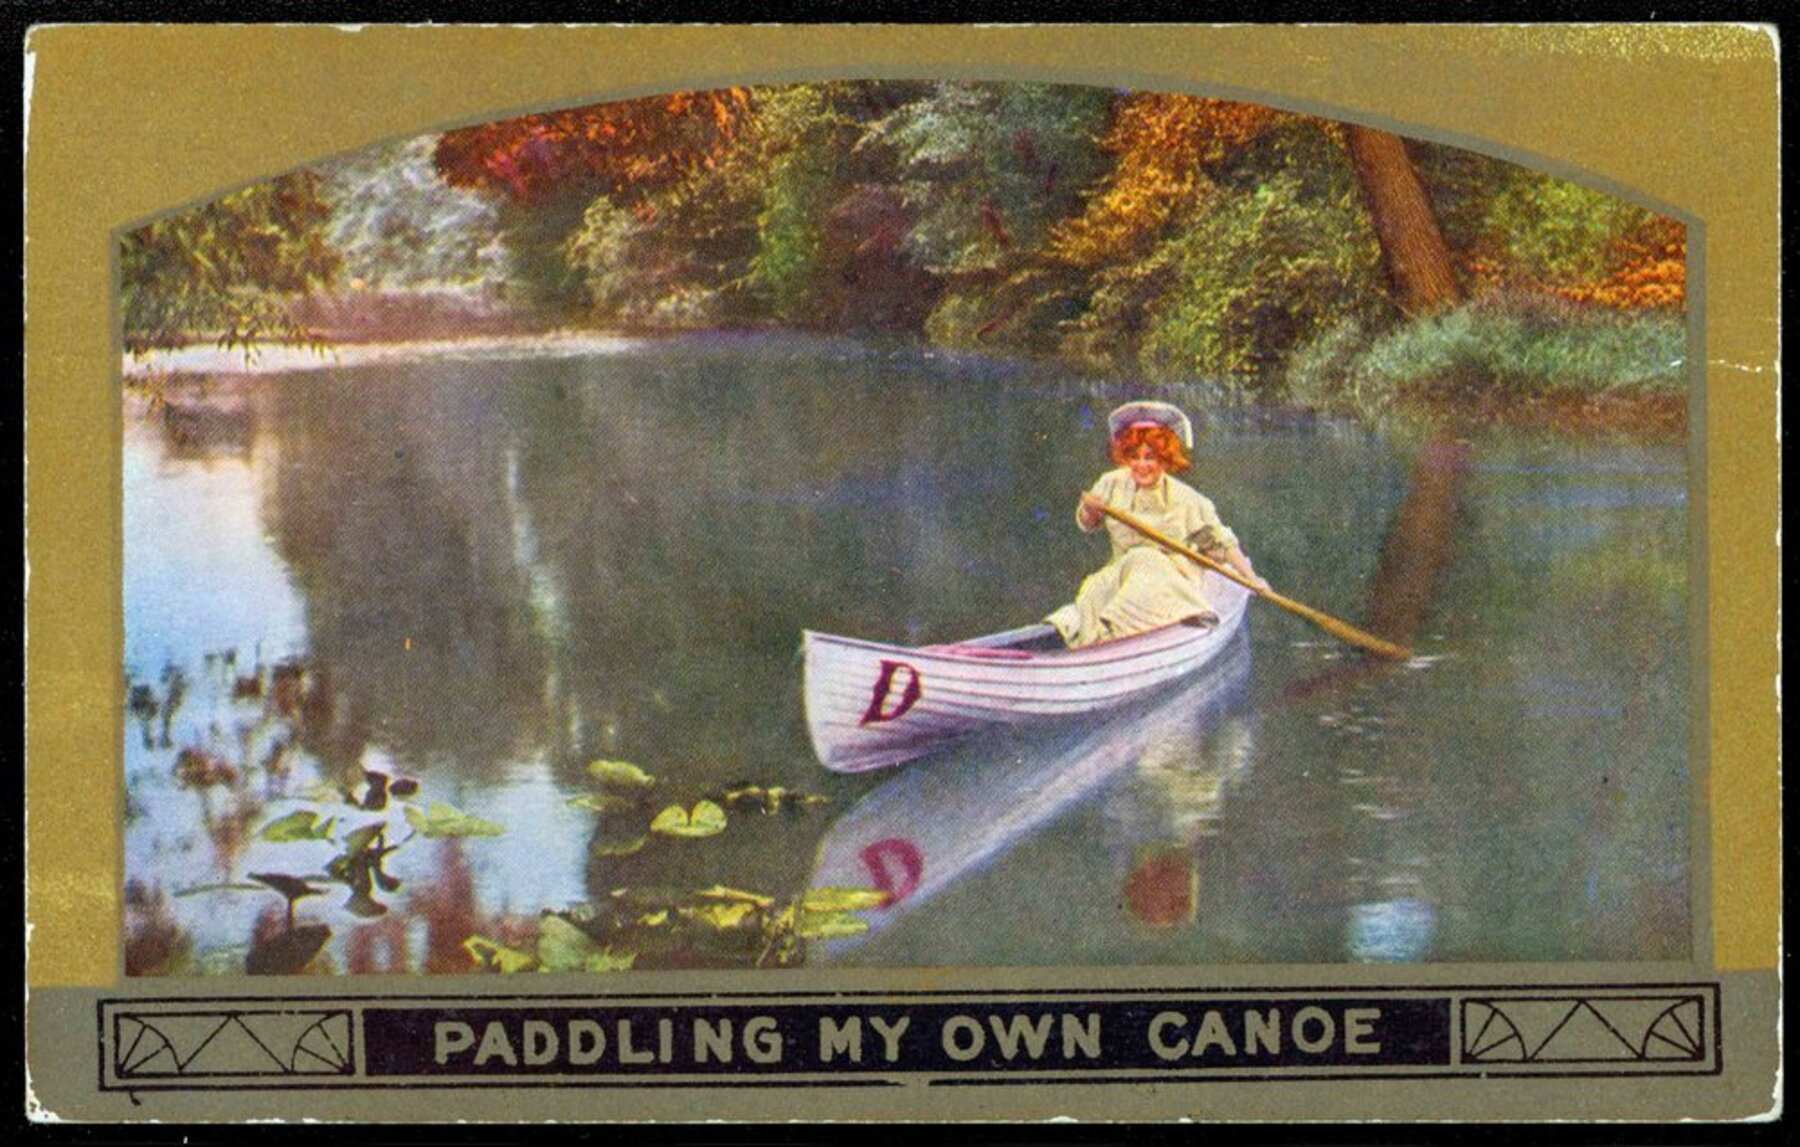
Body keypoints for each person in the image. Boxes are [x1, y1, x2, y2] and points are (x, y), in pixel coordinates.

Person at [1046, 401, 1269, 648]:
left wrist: (1251, 579)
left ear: (1164, 458)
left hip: (1172, 583)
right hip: (1122, 575)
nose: (1141, 465)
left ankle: (1113, 636)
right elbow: (1088, 523)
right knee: (1094, 590)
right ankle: (1097, 635)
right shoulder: (1111, 483)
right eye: (1134, 456)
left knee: (1145, 559)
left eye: (1150, 457)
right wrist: (1090, 510)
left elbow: (1221, 543)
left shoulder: (1186, 499)